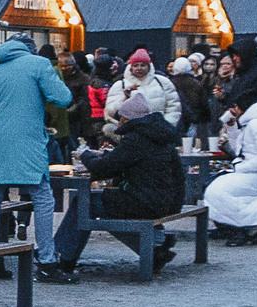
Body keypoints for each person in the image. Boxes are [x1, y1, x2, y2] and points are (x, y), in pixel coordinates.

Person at [38, 93, 185, 281]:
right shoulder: (159, 135)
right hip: (164, 200)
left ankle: (62, 256)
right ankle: (155, 248)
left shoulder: (136, 139)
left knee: (85, 202)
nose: (119, 123)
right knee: (98, 205)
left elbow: (103, 168)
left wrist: (85, 154)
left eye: (121, 118)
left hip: (146, 201)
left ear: (126, 118)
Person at [0, 35, 69, 276]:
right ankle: (46, 261)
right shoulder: (38, 64)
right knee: (43, 199)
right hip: (28, 140)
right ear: (31, 50)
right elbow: (63, 98)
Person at [205, 75, 257, 246]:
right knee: (213, 186)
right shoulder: (252, 123)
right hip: (256, 172)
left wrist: (242, 168)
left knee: (218, 191)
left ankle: (242, 227)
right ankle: (232, 225)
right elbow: (239, 150)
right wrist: (231, 126)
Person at [109, 49, 182, 127]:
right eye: (136, 65)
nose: (139, 68)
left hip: (159, 131)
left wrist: (166, 125)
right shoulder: (120, 85)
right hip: (131, 132)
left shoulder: (163, 82)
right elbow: (111, 111)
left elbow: (174, 106)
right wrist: (125, 98)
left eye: (143, 65)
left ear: (149, 66)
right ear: (131, 67)